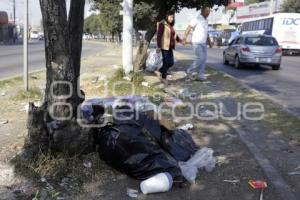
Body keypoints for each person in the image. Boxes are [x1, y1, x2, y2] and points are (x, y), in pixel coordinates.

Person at [183, 7, 212, 81]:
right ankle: (189, 70)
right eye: (207, 11)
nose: (208, 13)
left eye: (209, 11)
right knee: (200, 58)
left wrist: (209, 42)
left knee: (204, 59)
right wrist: (184, 38)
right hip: (196, 42)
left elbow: (206, 33)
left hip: (203, 43)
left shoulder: (206, 21)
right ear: (202, 11)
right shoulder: (196, 19)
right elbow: (189, 28)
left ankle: (200, 75)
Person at [156, 12, 183, 85]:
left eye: (173, 17)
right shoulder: (162, 24)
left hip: (170, 47)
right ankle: (164, 78)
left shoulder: (171, 26)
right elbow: (159, 35)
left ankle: (159, 71)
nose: (171, 18)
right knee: (166, 62)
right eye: (170, 17)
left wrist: (181, 41)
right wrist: (158, 46)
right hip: (164, 46)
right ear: (167, 17)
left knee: (171, 62)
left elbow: (175, 36)